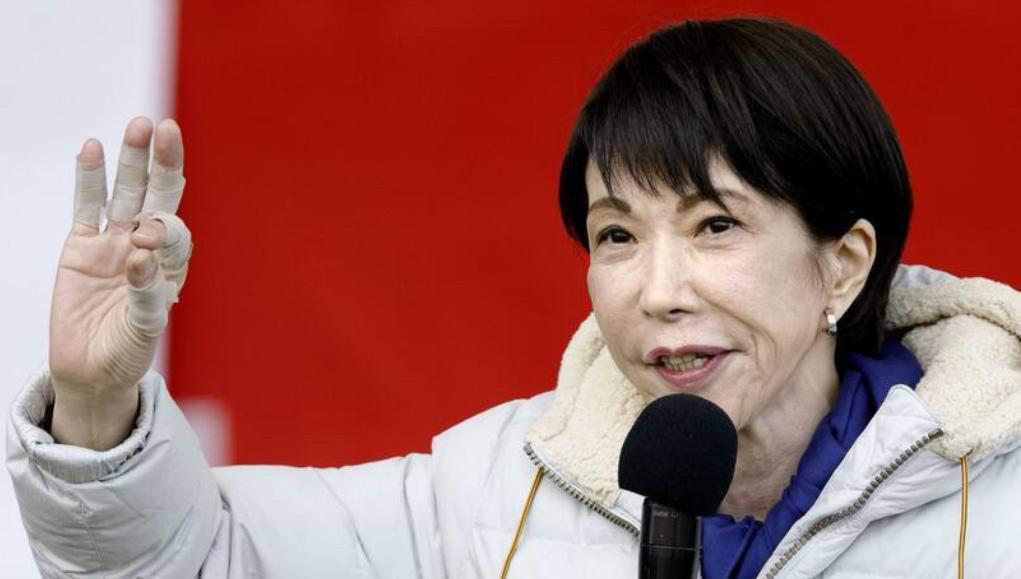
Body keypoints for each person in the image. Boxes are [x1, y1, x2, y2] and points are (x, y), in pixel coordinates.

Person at [7, 16, 1021, 579]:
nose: (658, 290)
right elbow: (195, 561)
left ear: (842, 264)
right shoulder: (492, 495)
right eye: (616, 235)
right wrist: (96, 402)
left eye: (715, 225)